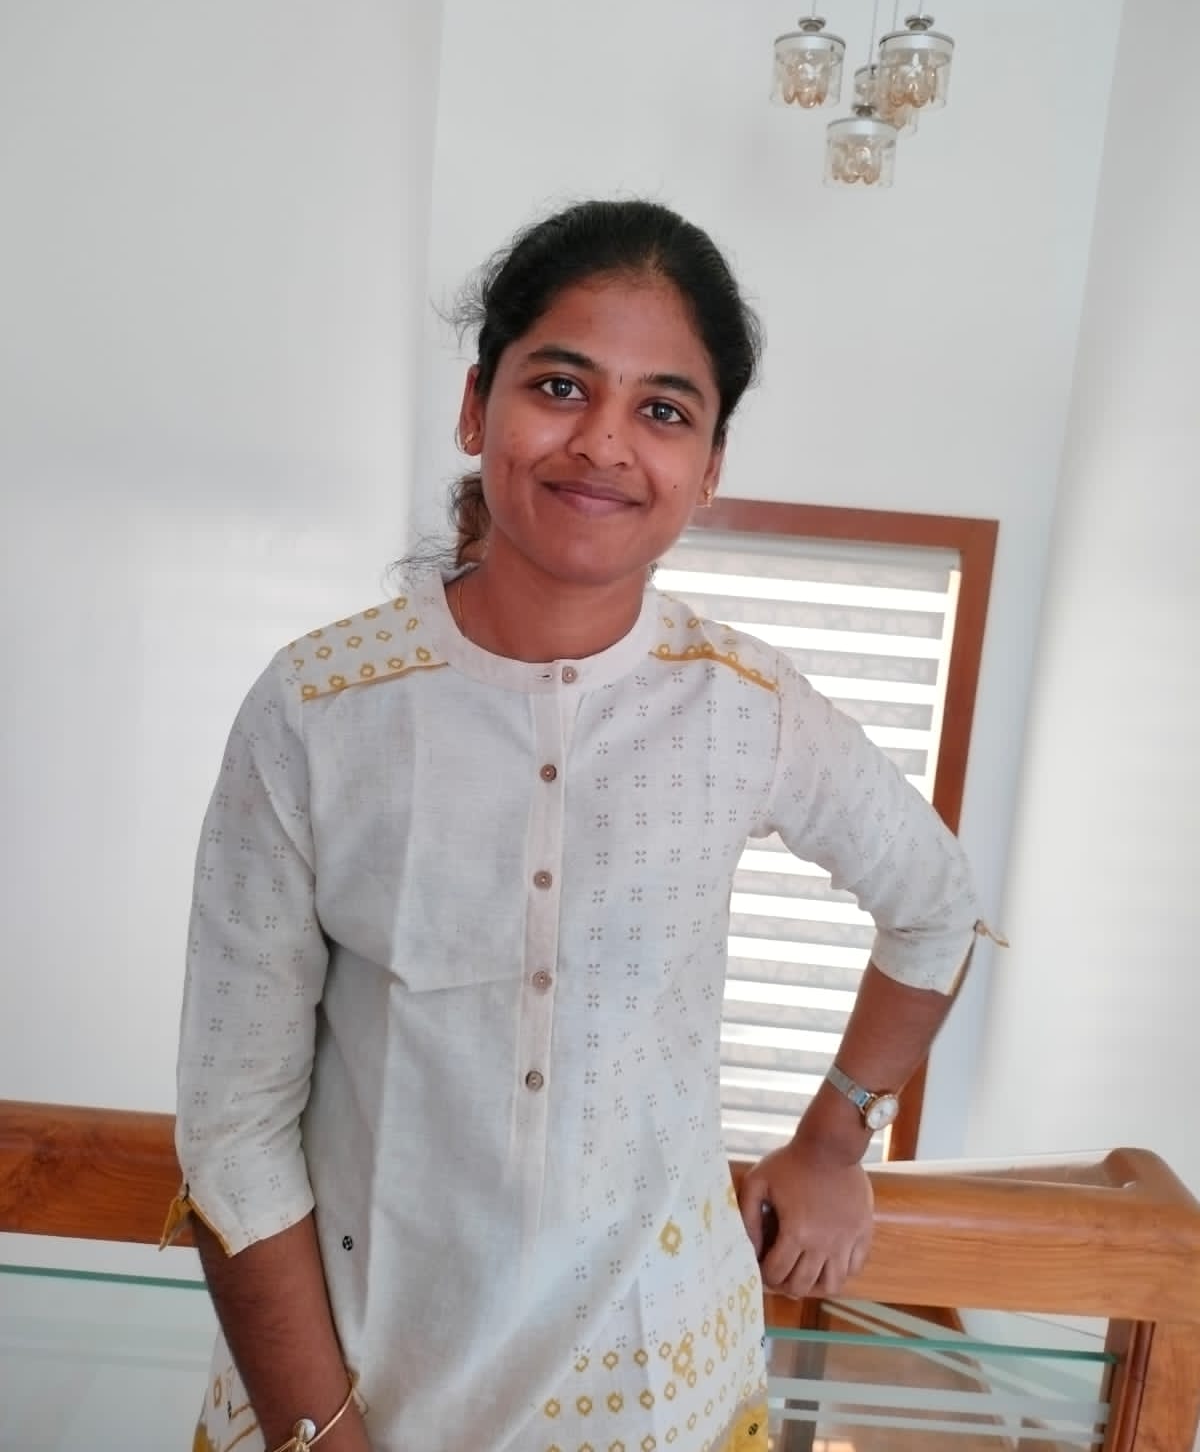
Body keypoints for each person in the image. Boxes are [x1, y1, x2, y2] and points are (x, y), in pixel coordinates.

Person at [169, 199, 986, 1452]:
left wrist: (835, 1134)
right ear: (475, 406)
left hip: (660, 1390)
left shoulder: (745, 705)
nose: (603, 441)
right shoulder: (319, 708)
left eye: (664, 410)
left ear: (708, 469)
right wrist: (321, 1431)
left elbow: (935, 904)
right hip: (357, 1386)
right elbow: (233, 1127)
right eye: (560, 385)